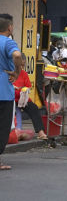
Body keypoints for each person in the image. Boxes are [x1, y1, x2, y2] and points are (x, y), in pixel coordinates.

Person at [1, 14, 24, 170]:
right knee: (2, 127)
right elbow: (17, 55)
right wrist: (17, 72)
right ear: (9, 27)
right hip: (3, 91)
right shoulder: (7, 42)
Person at [13, 69, 45, 140]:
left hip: (23, 98)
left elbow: (28, 86)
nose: (21, 67)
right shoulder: (9, 73)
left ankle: (40, 132)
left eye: (22, 65)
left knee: (34, 108)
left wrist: (23, 90)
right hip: (11, 99)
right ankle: (12, 132)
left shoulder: (23, 73)